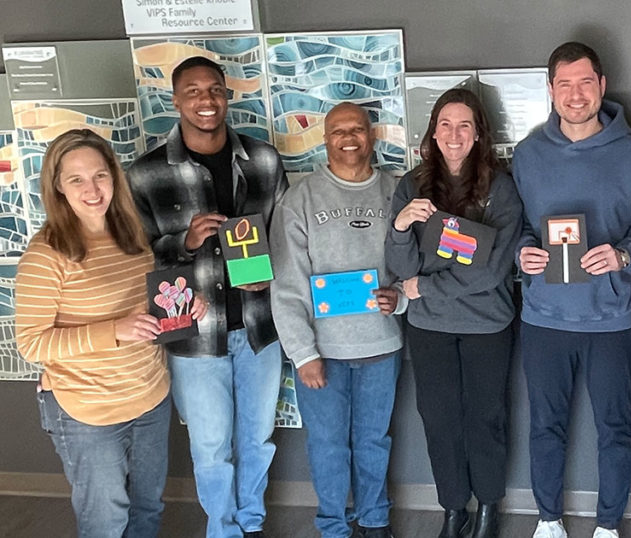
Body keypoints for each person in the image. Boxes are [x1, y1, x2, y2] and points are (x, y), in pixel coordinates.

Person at [15, 129, 207, 538]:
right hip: (87, 412)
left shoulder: (132, 234)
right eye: (77, 179)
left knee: (147, 509)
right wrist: (113, 331)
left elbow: (145, 308)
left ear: (114, 178)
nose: (92, 189)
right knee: (106, 522)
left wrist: (184, 307)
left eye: (100, 175)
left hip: (149, 396)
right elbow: (31, 343)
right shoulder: (46, 253)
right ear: (58, 187)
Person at [128, 56, 288, 538]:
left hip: (260, 327)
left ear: (227, 95)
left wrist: (271, 272)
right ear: (174, 100)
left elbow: (284, 236)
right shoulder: (145, 174)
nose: (206, 100)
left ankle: (252, 525)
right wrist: (185, 241)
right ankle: (223, 530)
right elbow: (135, 258)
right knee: (211, 444)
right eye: (193, 91)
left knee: (258, 439)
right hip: (193, 335)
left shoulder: (263, 158)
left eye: (214, 89)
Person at [513, 42, 631, 538]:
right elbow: (519, 229)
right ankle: (549, 520)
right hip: (544, 318)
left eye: (585, 83)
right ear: (550, 90)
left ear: (602, 85)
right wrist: (523, 253)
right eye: (564, 84)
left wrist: (622, 255)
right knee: (544, 428)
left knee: (615, 431)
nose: (575, 95)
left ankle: (608, 527)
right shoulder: (528, 154)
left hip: (613, 320)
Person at [385, 88, 522, 538]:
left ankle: (487, 507)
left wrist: (425, 285)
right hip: (429, 330)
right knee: (439, 418)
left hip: (487, 325)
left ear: (479, 133)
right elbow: (401, 266)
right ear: (433, 133)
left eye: (464, 125)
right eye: (445, 124)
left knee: (486, 418)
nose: (454, 134)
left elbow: (490, 272)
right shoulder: (412, 185)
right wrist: (402, 225)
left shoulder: (500, 188)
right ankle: (452, 509)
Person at [270, 102, 404, 538]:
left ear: (372, 136)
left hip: (382, 345)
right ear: (325, 140)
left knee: (374, 441)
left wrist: (399, 299)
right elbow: (287, 284)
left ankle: (374, 518)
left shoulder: (397, 191)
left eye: (358, 129)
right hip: (322, 352)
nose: (349, 138)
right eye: (337, 131)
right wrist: (302, 354)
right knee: (328, 445)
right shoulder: (300, 199)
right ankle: (333, 525)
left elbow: (413, 265)